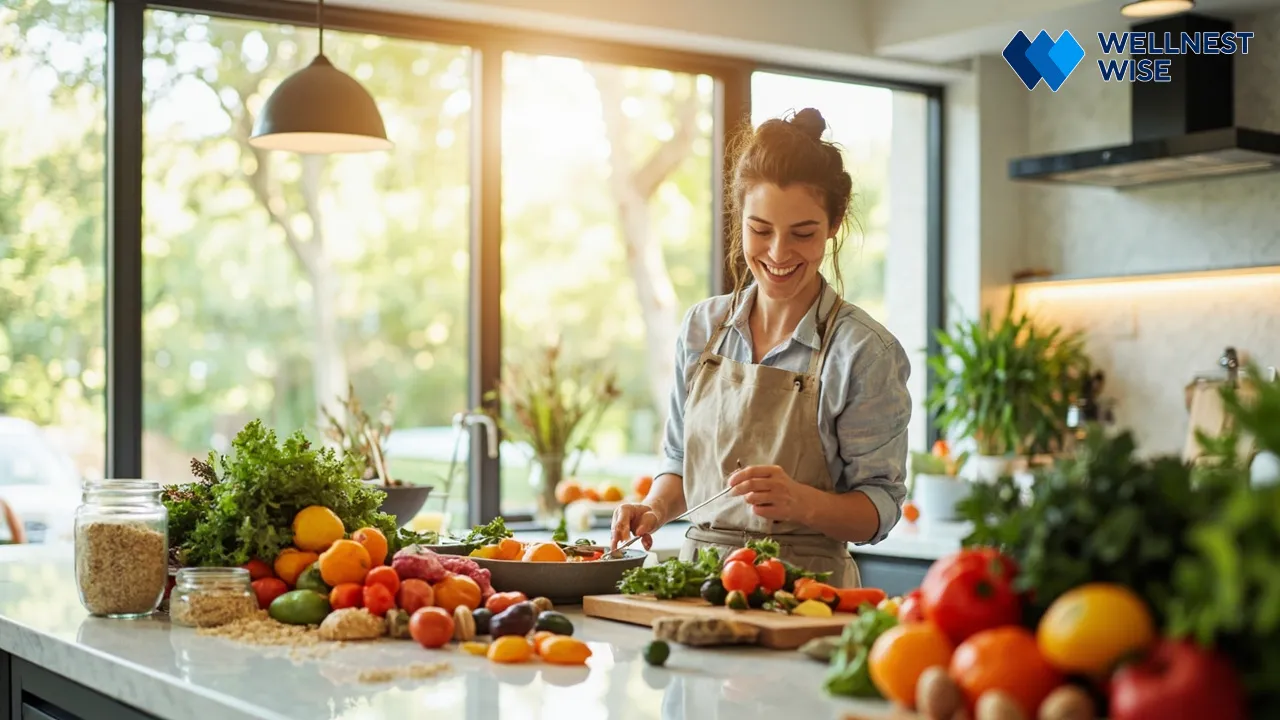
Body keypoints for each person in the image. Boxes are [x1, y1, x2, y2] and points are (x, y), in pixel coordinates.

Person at [609, 108, 912, 587]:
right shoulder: (702, 327)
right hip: (699, 584)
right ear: (739, 217)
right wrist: (653, 507)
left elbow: (881, 508)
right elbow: (678, 466)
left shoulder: (863, 351)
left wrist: (801, 501)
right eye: (760, 229)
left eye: (803, 233)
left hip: (807, 595)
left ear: (833, 225)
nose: (777, 253)